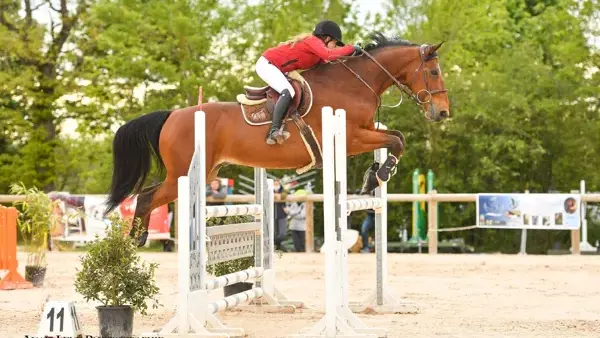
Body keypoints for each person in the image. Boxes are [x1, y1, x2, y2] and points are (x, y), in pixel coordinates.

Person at [255, 20, 362, 145]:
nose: (336, 46)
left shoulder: (318, 55)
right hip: (266, 64)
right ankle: (274, 131)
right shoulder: (313, 41)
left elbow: (332, 64)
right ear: (327, 38)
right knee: (288, 91)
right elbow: (329, 55)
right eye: (335, 43)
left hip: (278, 68)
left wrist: (353, 55)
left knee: (290, 90)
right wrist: (350, 48)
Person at [273, 179, 289, 251]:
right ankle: (277, 248)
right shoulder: (269, 190)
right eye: (275, 184)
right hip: (272, 215)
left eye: (277, 184)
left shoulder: (284, 190)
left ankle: (275, 244)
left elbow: (284, 197)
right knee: (274, 233)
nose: (276, 185)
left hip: (282, 214)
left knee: (282, 234)